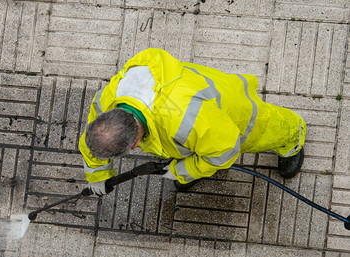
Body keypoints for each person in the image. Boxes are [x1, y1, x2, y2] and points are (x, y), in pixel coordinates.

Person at [79, 48, 306, 195]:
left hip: (230, 109)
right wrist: (98, 176)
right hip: (187, 109)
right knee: (190, 143)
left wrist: (182, 170)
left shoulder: (186, 121)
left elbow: (225, 151)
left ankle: (293, 137)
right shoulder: (106, 102)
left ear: (135, 145)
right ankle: (196, 162)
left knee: (264, 128)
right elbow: (95, 142)